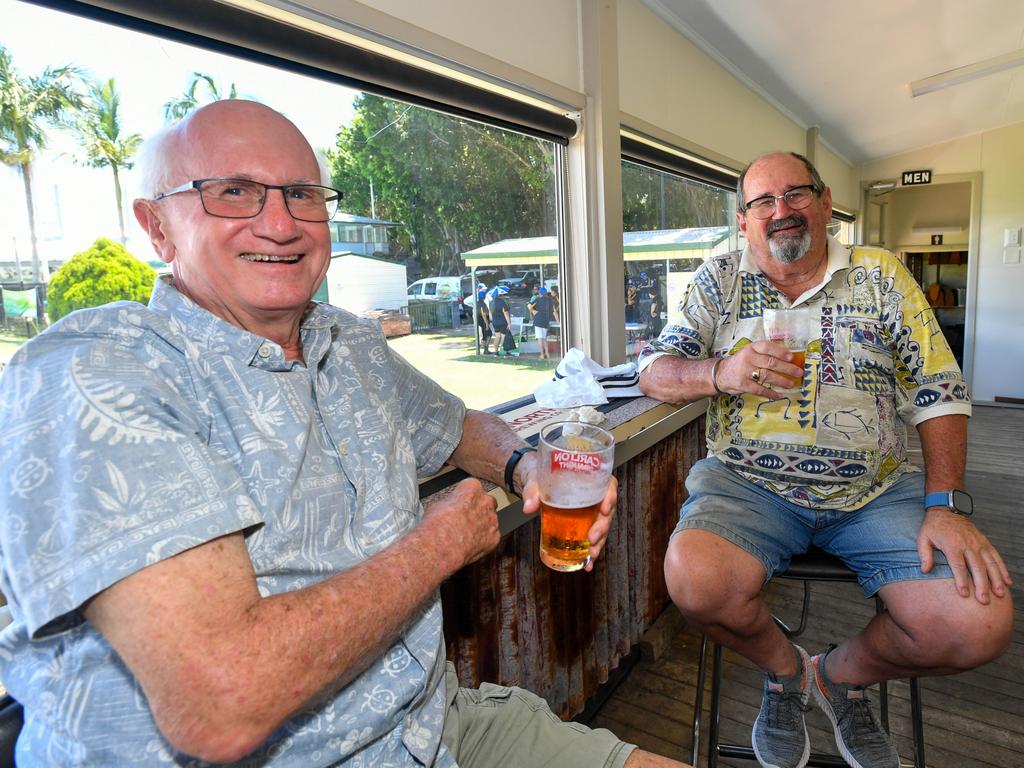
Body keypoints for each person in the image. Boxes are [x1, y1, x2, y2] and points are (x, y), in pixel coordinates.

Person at [0, 100, 686, 768]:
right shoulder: (96, 372)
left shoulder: (349, 342)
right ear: (157, 227)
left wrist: (526, 468)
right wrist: (438, 544)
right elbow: (221, 702)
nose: (279, 223)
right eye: (233, 192)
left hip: (430, 728)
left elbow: (460, 428)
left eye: (300, 194)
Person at [638, 151, 1013, 768]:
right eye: (763, 201)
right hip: (747, 485)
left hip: (875, 492)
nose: (781, 211)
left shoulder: (880, 273)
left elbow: (938, 387)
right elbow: (654, 369)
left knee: (978, 623)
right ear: (743, 220)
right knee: (695, 580)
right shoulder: (719, 278)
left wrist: (945, 503)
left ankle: (839, 676)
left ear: (825, 200)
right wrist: (721, 371)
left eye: (796, 194)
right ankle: (785, 673)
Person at [528, 286, 559, 360]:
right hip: (546, 321)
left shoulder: (537, 299)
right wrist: (558, 322)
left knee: (540, 338)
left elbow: (529, 305)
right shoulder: (550, 300)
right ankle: (547, 353)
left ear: (539, 293)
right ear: (546, 293)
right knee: (544, 338)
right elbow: (554, 312)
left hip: (538, 320)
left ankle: (542, 354)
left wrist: (533, 311)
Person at [489, 285, 518, 357]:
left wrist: (493, 321)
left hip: (495, 322)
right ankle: (505, 353)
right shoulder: (502, 302)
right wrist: (509, 323)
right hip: (502, 321)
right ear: (500, 294)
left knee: (497, 336)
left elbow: (490, 315)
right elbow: (506, 313)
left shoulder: (491, 303)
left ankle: (496, 352)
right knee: (504, 337)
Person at [474, 282, 493, 354]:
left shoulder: (477, 304)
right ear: (484, 297)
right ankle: (486, 349)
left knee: (484, 335)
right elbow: (484, 314)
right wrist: (487, 324)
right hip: (484, 322)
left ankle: (485, 349)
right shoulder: (483, 304)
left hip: (480, 322)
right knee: (489, 334)